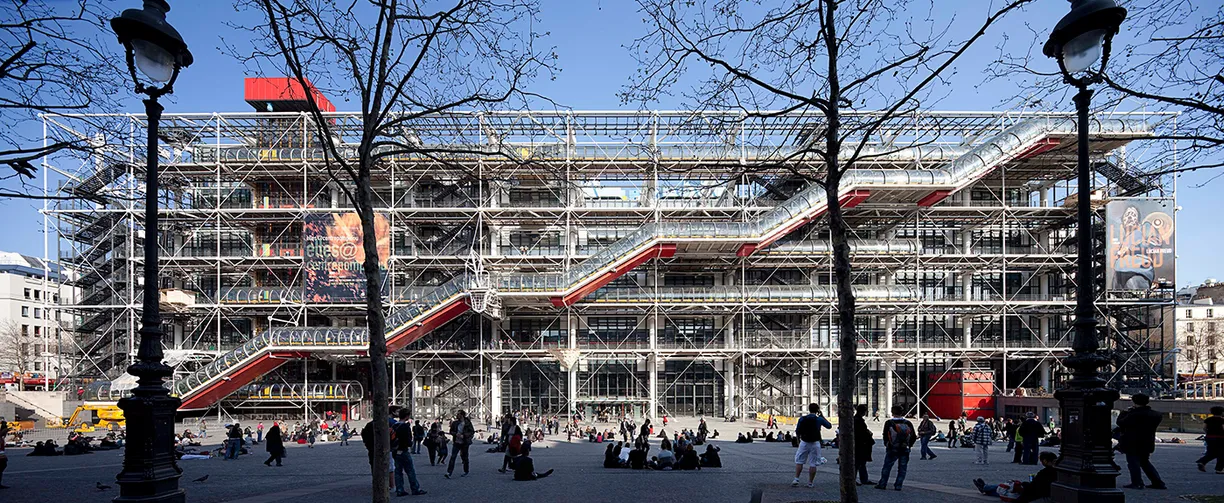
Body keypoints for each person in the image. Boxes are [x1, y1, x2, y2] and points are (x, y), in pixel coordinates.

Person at [1116, 393, 1166, 490]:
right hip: (1148, 441)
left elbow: (1121, 423)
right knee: (1145, 462)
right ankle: (1157, 482)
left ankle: (1137, 482)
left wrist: (1124, 412)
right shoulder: (1156, 415)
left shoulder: (1133, 414)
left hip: (1132, 442)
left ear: (1134, 402)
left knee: (1133, 462)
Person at [973, 451, 1058, 502]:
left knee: (1008, 490)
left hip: (1036, 495)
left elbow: (1034, 488)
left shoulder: (1045, 472)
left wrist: (1023, 485)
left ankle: (985, 487)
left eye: (1042, 460)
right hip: (1037, 492)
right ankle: (985, 488)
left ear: (1045, 461)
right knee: (1008, 488)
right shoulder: (1059, 471)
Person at [792, 403, 833, 488]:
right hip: (815, 442)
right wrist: (822, 416)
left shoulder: (802, 419)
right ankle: (810, 482)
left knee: (799, 461)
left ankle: (796, 479)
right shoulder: (819, 419)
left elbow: (797, 431)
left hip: (804, 442)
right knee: (813, 463)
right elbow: (829, 426)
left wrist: (799, 441)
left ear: (809, 409)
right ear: (817, 410)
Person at [876, 405, 916, 491]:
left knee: (887, 467)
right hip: (904, 448)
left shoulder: (889, 423)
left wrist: (887, 444)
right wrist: (909, 445)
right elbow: (913, 436)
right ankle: (898, 485)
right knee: (902, 468)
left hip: (892, 448)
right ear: (902, 412)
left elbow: (885, 435)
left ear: (892, 412)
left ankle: (883, 484)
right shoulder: (908, 423)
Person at [392, 409, 426, 496]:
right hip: (403, 450)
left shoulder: (394, 425)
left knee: (398, 471)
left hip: (395, 450)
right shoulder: (405, 426)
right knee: (410, 470)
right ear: (407, 416)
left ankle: (399, 489)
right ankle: (415, 488)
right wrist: (410, 444)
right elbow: (408, 440)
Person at [446, 409, 475, 478]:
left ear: (462, 415)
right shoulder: (455, 423)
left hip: (465, 442)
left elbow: (472, 432)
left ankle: (466, 471)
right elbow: (451, 431)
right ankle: (449, 472)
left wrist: (464, 435)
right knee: (453, 456)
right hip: (456, 442)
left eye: (458, 414)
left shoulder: (467, 423)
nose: (457, 415)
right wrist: (455, 434)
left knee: (465, 457)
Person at [1196, 405, 1224, 474]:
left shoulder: (1208, 419)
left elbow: (1204, 428)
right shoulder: (1222, 420)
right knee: (1222, 454)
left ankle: (1202, 461)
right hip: (1220, 438)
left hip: (1210, 437)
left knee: (1212, 452)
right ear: (1222, 412)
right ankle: (1219, 469)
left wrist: (1208, 434)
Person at [854, 404, 875, 486]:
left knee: (861, 463)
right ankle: (858, 479)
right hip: (860, 444)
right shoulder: (858, 420)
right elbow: (861, 432)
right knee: (858, 463)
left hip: (860, 443)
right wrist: (868, 434)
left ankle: (864, 479)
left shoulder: (857, 420)